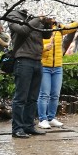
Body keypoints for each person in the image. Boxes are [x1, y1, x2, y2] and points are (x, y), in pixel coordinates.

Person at [9, 10, 50, 139]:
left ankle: (28, 125)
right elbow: (22, 30)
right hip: (23, 59)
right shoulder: (13, 15)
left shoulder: (34, 17)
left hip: (38, 60)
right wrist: (39, 18)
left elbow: (47, 36)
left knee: (33, 97)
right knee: (21, 97)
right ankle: (17, 128)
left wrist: (47, 24)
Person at [37, 16, 78, 130]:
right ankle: (42, 119)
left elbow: (70, 27)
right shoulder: (40, 29)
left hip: (57, 66)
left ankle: (51, 117)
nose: (54, 17)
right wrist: (45, 48)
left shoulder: (58, 27)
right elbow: (35, 48)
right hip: (44, 66)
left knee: (55, 94)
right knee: (44, 94)